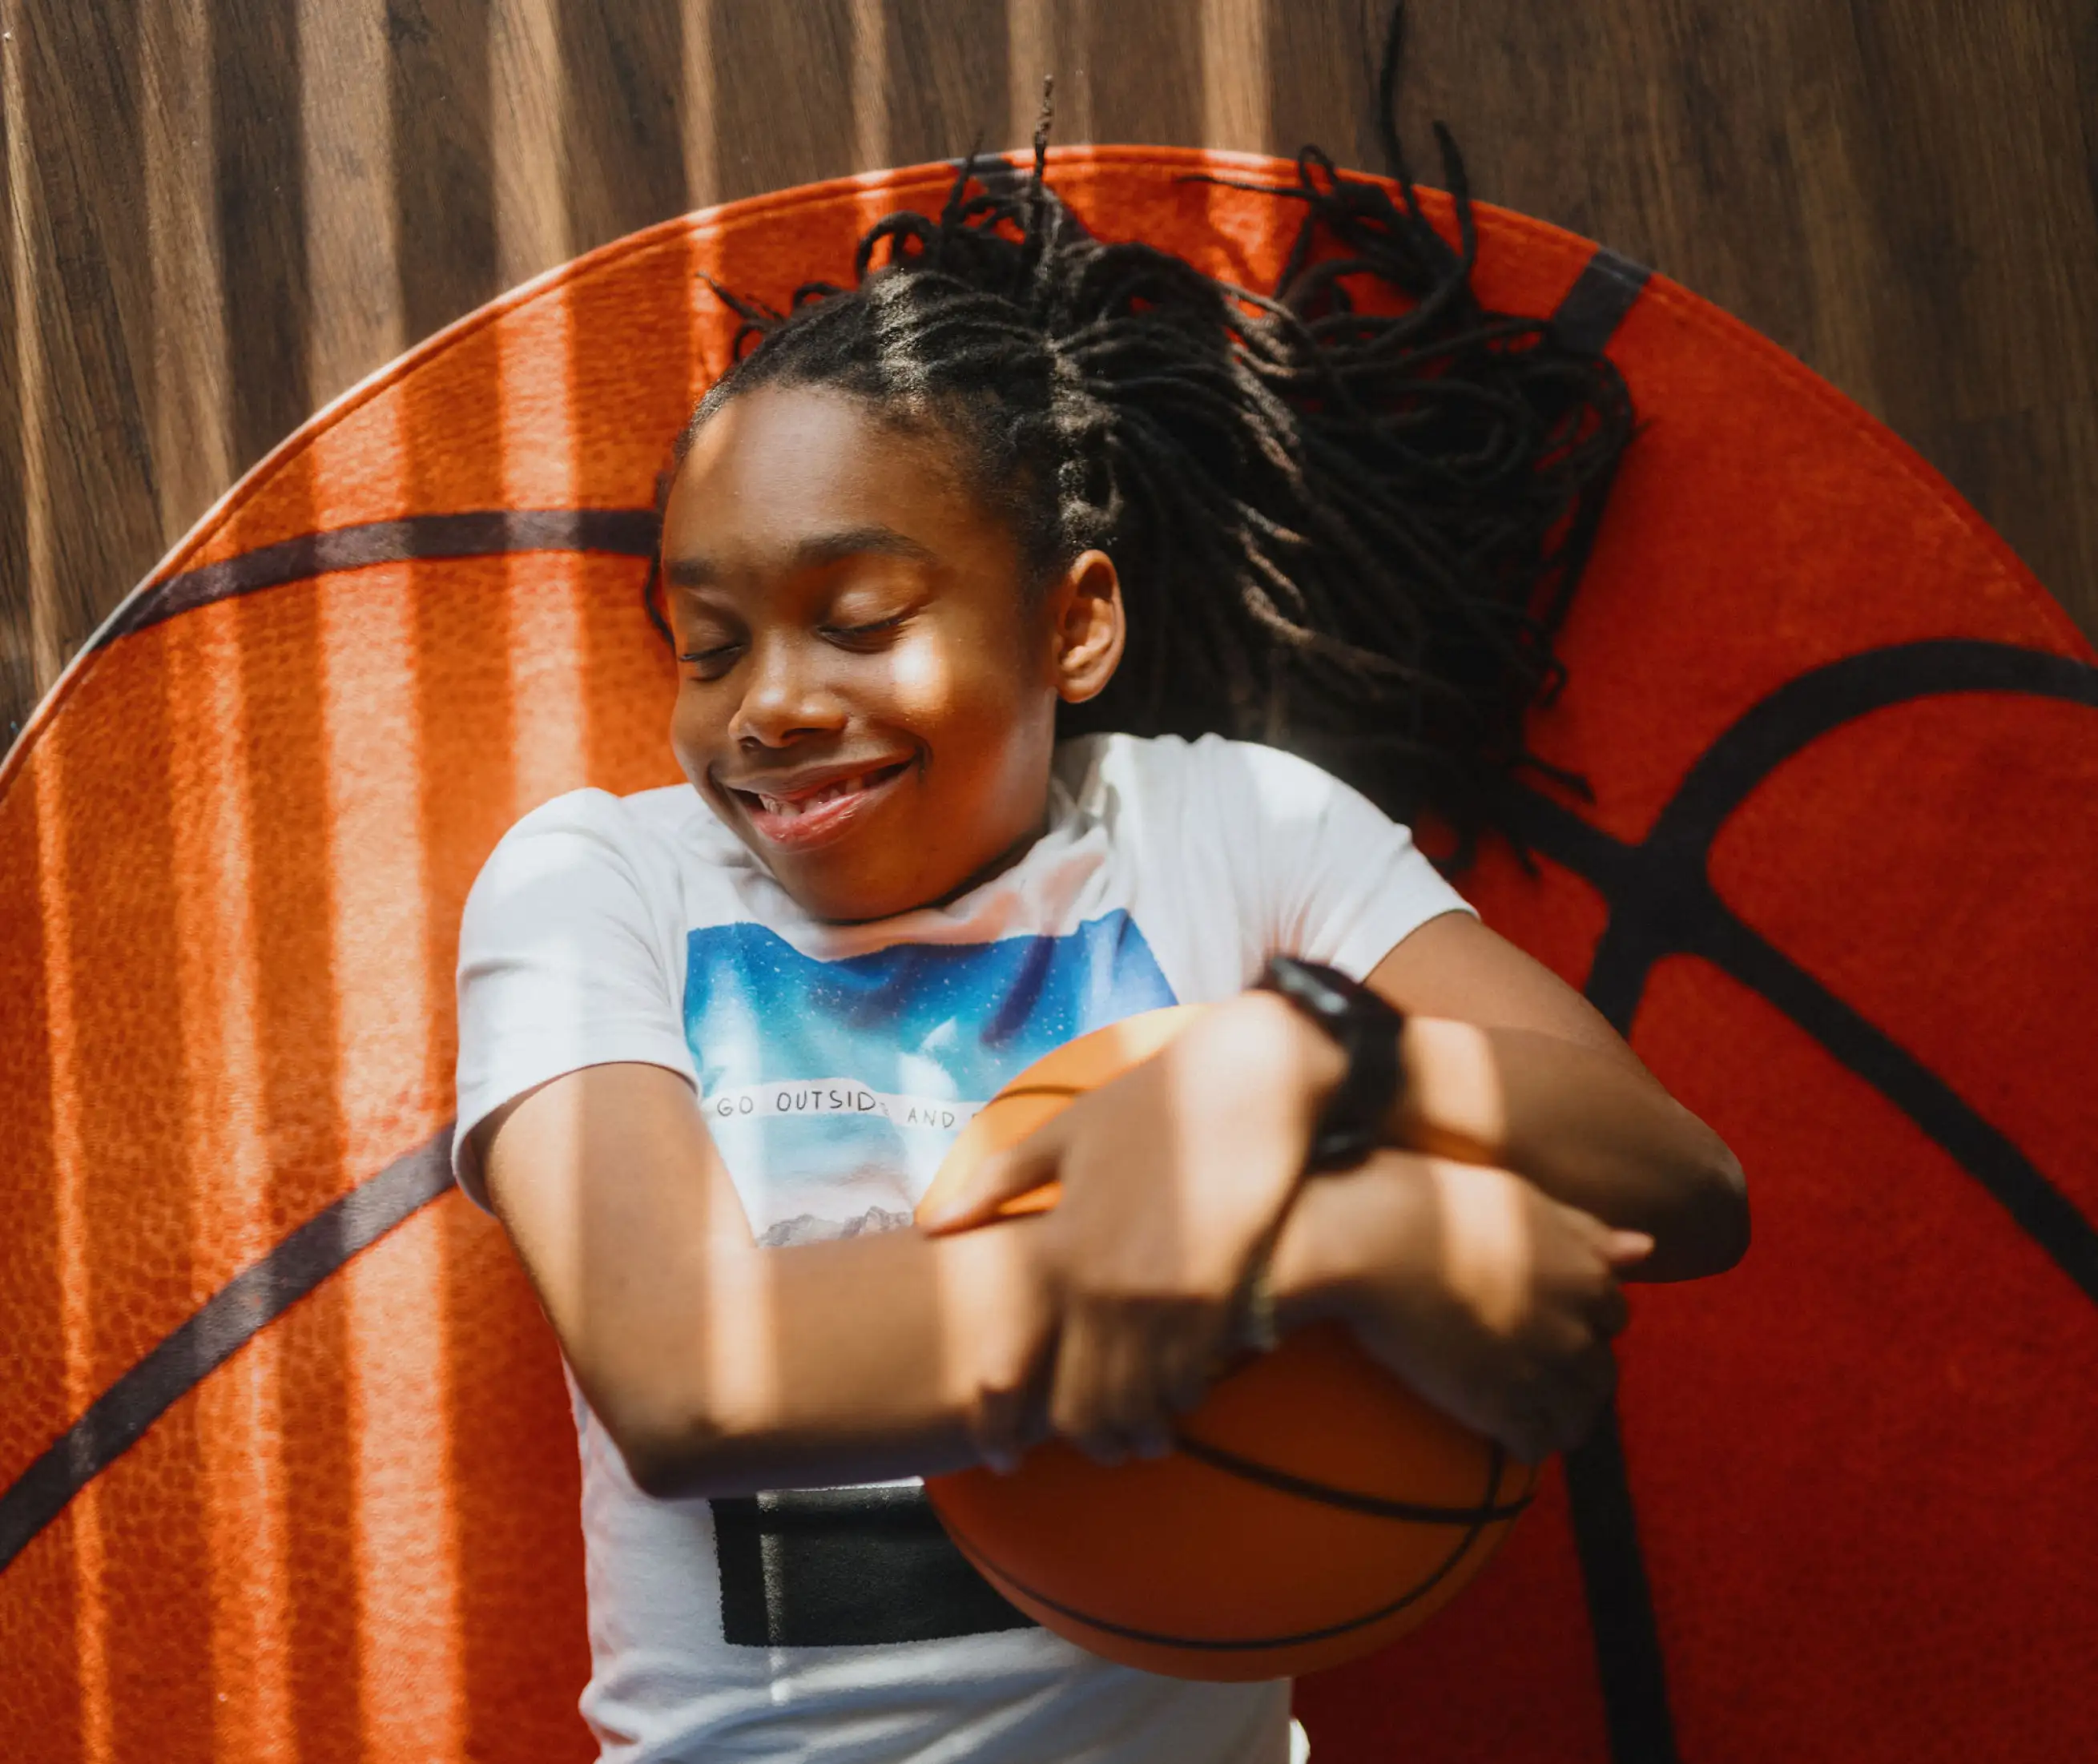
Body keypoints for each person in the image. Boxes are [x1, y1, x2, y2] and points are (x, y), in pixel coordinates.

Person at [451, 97, 1750, 1764]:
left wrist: (1309, 1066)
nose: (767, 705)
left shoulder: (1230, 832)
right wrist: (1318, 1250)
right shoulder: (596, 883)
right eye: (706, 646)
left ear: (1072, 623)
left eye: (859, 620)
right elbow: (691, 1381)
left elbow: (1679, 1180)